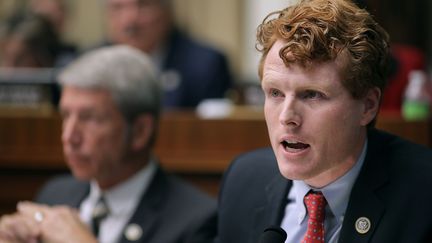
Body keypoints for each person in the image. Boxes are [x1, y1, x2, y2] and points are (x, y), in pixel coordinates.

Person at [216, 0, 432, 242]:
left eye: (312, 95)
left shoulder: (424, 193)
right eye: (275, 93)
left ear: (368, 106)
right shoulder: (244, 180)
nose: (287, 117)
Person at [0, 45, 216, 243]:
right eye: (66, 115)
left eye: (89, 118)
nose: (69, 136)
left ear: (140, 131)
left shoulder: (196, 221)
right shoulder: (55, 194)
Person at [99, 0, 233, 108]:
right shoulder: (90, 62)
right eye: (118, 8)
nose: (130, 20)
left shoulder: (206, 64)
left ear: (167, 10)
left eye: (144, 5)